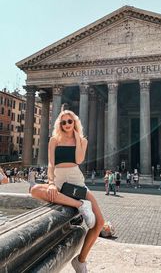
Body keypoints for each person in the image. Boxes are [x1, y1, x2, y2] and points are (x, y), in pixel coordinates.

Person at [30, 110, 104, 273]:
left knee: (99, 223)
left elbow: (78, 160)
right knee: (35, 190)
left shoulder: (82, 141)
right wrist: (50, 183)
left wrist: (77, 138)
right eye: (63, 122)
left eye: (69, 121)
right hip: (58, 181)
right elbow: (50, 163)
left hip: (76, 181)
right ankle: (80, 204)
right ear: (59, 124)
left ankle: (80, 261)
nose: (66, 125)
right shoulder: (54, 140)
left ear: (74, 122)